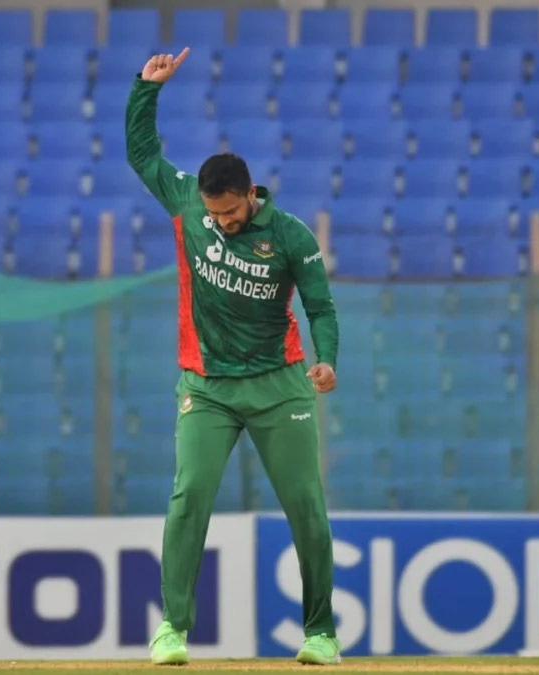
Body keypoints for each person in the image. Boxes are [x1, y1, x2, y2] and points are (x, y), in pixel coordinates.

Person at [126, 48, 342, 667]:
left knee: (306, 506)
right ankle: (173, 629)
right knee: (189, 496)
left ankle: (320, 632)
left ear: (251, 194)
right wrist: (146, 89)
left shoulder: (291, 235)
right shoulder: (189, 204)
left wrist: (326, 359)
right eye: (213, 213)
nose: (220, 222)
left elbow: (321, 308)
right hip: (207, 386)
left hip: (279, 384)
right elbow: (142, 155)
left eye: (230, 212)